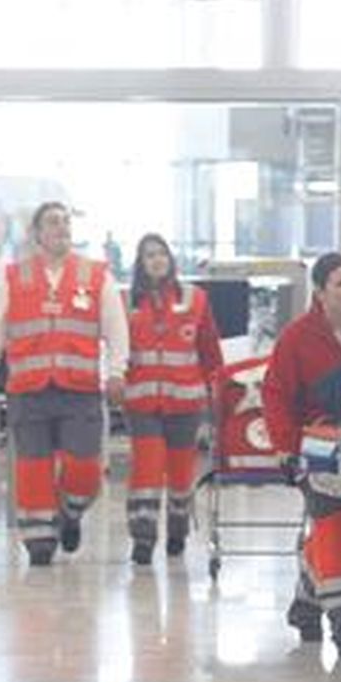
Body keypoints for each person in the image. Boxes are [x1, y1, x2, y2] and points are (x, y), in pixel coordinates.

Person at [0, 201, 130, 566]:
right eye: (53, 222)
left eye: (65, 222)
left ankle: (70, 511)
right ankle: (39, 541)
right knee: (33, 468)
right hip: (29, 390)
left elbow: (116, 328)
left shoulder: (95, 275)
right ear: (37, 234)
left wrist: (118, 371)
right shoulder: (15, 277)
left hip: (80, 390)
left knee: (84, 469)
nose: (61, 228)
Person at [262, 252, 341, 655]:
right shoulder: (297, 338)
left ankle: (307, 597)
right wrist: (285, 447)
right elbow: (276, 395)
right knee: (336, 524)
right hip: (316, 449)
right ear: (320, 293)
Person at [123, 233, 223, 565]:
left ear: (171, 258)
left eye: (161, 253)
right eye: (149, 255)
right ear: (140, 263)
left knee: (181, 473)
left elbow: (210, 350)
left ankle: (178, 527)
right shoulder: (128, 303)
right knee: (147, 472)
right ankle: (143, 536)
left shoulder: (195, 299)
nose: (157, 260)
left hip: (185, 403)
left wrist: (217, 393)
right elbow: (119, 351)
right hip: (142, 404)